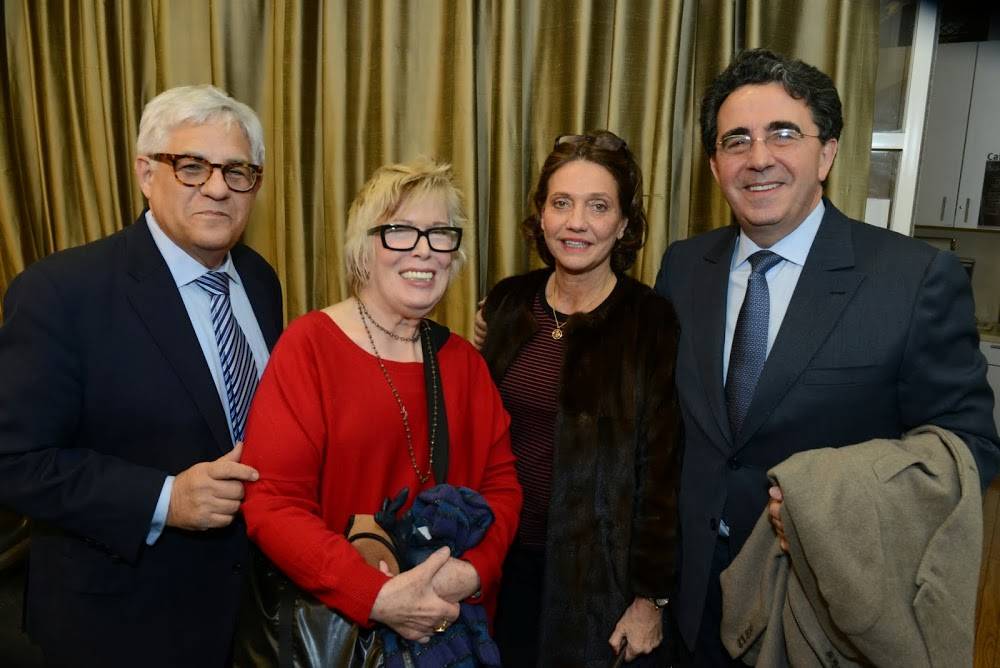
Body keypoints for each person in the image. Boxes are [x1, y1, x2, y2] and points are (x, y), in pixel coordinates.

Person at [653, 48, 1000, 666]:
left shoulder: (913, 279)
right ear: (714, 164)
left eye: (784, 133)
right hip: (692, 597)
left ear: (828, 154)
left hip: (816, 609)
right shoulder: (683, 267)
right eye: (736, 140)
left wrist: (833, 500)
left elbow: (970, 449)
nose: (759, 157)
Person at [0, 85, 282, 666]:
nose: (217, 188)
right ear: (146, 173)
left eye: (237, 171)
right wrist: (165, 498)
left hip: (248, 613)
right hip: (119, 623)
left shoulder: (260, 279)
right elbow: (14, 461)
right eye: (192, 166)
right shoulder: (60, 292)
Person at [239, 158, 522, 653]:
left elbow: (501, 487)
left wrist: (471, 572)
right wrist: (377, 595)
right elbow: (273, 504)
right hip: (343, 635)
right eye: (400, 231)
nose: (424, 250)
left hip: (450, 634)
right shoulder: (310, 347)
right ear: (363, 249)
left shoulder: (464, 363)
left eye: (440, 234)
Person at [479, 131, 681, 667]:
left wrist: (649, 599)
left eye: (598, 206)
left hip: (596, 586)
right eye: (561, 203)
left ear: (623, 224)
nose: (576, 223)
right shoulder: (507, 302)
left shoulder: (650, 320)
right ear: (541, 215)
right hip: (495, 564)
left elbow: (661, 472)